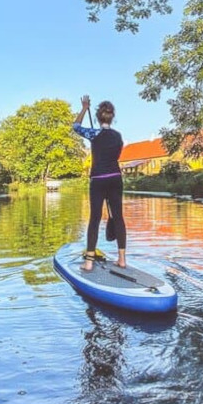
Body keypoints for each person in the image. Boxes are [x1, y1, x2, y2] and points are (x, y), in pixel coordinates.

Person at [72, 95, 126, 272]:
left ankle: (88, 262)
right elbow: (116, 155)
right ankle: (122, 259)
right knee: (118, 217)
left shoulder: (94, 134)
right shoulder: (118, 137)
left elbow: (76, 126)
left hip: (98, 180)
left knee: (94, 219)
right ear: (113, 117)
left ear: (98, 117)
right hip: (115, 178)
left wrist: (84, 108)